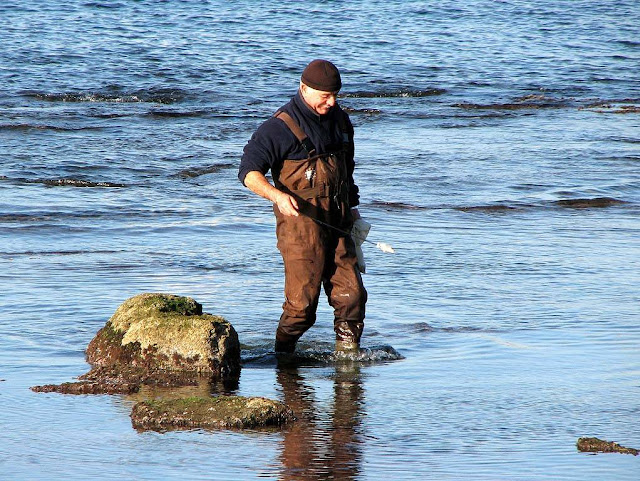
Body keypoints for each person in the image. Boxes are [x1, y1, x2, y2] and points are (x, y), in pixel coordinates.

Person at [238, 59, 367, 353]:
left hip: (339, 221)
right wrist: (277, 196)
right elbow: (248, 172)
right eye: (325, 96)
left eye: (336, 95)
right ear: (304, 88)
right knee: (302, 308)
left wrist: (354, 209)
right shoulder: (278, 128)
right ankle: (283, 359)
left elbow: (347, 171)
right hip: (300, 227)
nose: (332, 102)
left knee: (352, 298)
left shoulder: (341, 121)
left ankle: (348, 363)